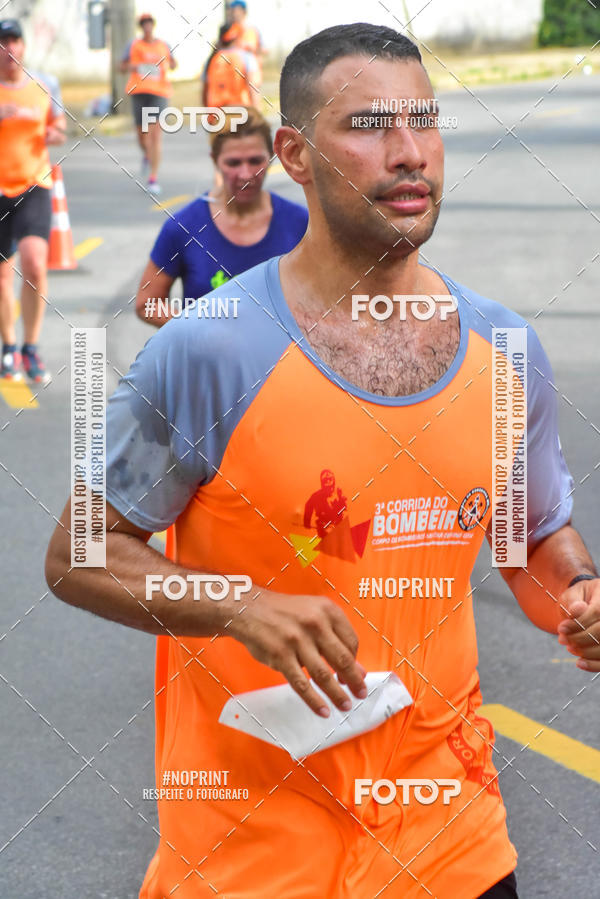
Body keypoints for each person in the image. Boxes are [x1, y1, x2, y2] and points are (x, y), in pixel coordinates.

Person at [45, 23, 600, 899]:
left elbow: (532, 543)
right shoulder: (209, 353)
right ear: (296, 154)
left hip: (451, 845)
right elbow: (77, 553)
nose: (410, 151)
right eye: (371, 124)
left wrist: (578, 595)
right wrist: (236, 604)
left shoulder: (505, 348)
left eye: (425, 119)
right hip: (250, 857)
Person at [134, 107, 307, 326]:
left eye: (255, 161)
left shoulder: (301, 224)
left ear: (272, 157)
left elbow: (333, 301)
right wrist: (196, 331)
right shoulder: (184, 227)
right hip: (206, 360)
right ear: (215, 160)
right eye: (233, 163)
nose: (245, 174)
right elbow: (146, 303)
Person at [0, 18, 66, 383]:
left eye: (15, 41)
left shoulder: (44, 85)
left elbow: (57, 124)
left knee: (35, 265)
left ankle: (31, 348)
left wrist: (56, 133)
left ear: (24, 47)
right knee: (1, 278)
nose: (10, 50)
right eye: (3, 43)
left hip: (33, 185)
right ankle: (9, 347)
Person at [120, 12, 176, 196]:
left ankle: (153, 177)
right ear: (140, 27)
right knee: (142, 136)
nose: (147, 27)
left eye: (149, 23)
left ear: (153, 25)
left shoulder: (163, 45)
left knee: (155, 136)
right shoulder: (133, 45)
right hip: (139, 92)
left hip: (159, 93)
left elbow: (174, 64)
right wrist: (135, 66)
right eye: (143, 24)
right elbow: (121, 67)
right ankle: (146, 155)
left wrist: (165, 65)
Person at [202, 22, 260, 112]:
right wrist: (257, 112)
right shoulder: (246, 57)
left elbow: (205, 92)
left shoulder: (212, 60)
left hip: (217, 115)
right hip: (241, 113)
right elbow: (252, 88)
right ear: (237, 38)